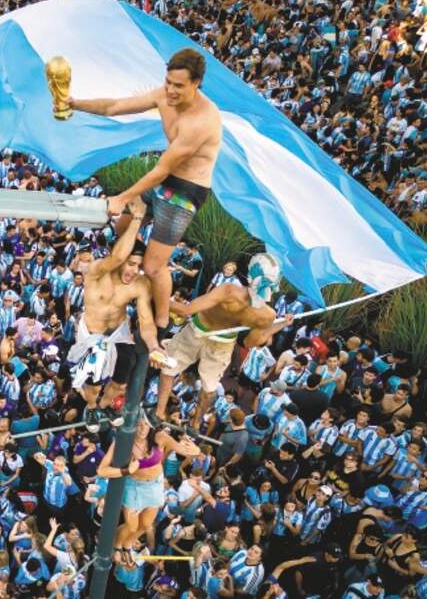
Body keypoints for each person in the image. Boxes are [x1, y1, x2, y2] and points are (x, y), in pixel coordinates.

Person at [69, 48, 222, 333]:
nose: (171, 90)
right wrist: (75, 103)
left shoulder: (202, 120)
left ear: (196, 83)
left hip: (186, 191)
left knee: (154, 266)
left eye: (178, 85)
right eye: (168, 82)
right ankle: (128, 270)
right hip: (164, 180)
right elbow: (115, 106)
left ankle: (162, 318)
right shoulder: (163, 95)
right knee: (122, 226)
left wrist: (123, 197)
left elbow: (162, 168)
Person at [158, 253, 292, 425]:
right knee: (209, 387)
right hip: (222, 344)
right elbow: (248, 343)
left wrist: (156, 294)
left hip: (197, 331)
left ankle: (159, 412)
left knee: (168, 369)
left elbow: (185, 310)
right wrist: (277, 325)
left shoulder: (228, 290)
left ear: (250, 275)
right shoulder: (268, 314)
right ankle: (196, 424)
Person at [67, 197, 164, 431]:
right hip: (92, 333)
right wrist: (137, 218)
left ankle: (108, 405)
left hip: (118, 333)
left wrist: (154, 347)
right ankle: (91, 408)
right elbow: (118, 257)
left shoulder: (140, 284)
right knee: (93, 384)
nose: (133, 270)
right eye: (131, 264)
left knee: (121, 383)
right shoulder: (97, 271)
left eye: (138, 266)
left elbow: (146, 322)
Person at [97, 414, 200, 549]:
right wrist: (126, 471)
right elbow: (101, 470)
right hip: (134, 486)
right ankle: (117, 546)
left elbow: (186, 451)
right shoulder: (123, 442)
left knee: (146, 525)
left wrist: (196, 450)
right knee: (132, 526)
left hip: (155, 484)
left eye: (146, 424)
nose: (143, 428)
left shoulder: (160, 436)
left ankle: (127, 545)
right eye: (139, 424)